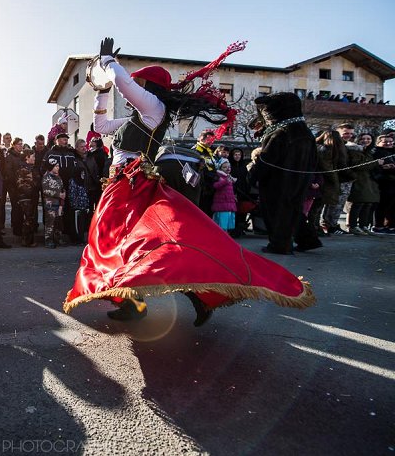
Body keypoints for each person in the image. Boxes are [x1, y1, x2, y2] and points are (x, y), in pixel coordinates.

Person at [65, 37, 315, 326]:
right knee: (123, 243)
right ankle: (138, 302)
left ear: (149, 87)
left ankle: (191, 296)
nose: (134, 88)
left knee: (131, 243)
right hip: (121, 183)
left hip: (133, 184)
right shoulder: (136, 118)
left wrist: (108, 63)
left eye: (139, 83)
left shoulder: (154, 109)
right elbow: (100, 126)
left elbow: (124, 84)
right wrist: (101, 90)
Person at [253, 92, 321, 254]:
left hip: (276, 181)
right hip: (300, 178)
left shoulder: (280, 132)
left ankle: (280, 245)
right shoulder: (306, 133)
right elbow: (315, 159)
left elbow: (267, 159)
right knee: (293, 209)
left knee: (277, 212)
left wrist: (253, 175)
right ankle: (307, 239)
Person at [14, 150, 40, 247]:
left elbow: (37, 182)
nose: (34, 158)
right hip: (25, 198)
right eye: (32, 156)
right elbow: (20, 184)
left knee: (31, 219)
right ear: (26, 157)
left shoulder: (33, 169)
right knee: (28, 219)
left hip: (33, 198)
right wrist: (30, 192)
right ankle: (27, 241)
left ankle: (30, 240)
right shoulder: (22, 169)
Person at [41, 161, 65, 248]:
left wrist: (63, 193)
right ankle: (48, 241)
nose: (58, 168)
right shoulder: (46, 177)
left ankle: (58, 239)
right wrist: (58, 194)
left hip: (59, 204)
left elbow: (62, 187)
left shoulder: (58, 176)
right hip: (50, 204)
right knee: (50, 223)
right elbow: (45, 190)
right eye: (56, 166)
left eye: (58, 166)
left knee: (58, 222)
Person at [211, 159, 236, 233]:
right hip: (222, 204)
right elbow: (215, 186)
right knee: (221, 224)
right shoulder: (219, 176)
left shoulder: (228, 177)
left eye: (229, 167)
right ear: (220, 168)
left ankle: (225, 236)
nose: (228, 169)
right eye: (225, 167)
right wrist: (225, 181)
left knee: (226, 224)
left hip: (228, 203)